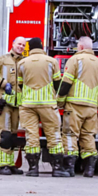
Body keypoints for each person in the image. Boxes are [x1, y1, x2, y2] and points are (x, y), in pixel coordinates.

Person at [59, 37, 98, 178]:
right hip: (91, 107)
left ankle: (69, 168)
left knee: (70, 135)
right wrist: (97, 104)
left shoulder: (74, 60)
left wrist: (60, 102)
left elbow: (66, 83)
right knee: (88, 136)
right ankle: (90, 169)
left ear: (80, 46)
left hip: (74, 105)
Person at [16, 37, 64, 177]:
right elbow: (57, 83)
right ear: (42, 46)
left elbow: (20, 84)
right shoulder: (51, 61)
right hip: (47, 104)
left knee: (31, 136)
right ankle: (57, 169)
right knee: (54, 134)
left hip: (28, 104)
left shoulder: (22, 63)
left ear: (29, 48)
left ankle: (33, 169)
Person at [0, 36, 25, 175]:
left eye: (23, 45)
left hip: (17, 105)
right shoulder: (2, 59)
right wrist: (2, 83)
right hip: (4, 103)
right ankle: (3, 165)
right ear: (13, 44)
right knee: (4, 135)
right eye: (19, 44)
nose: (21, 47)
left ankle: (11, 163)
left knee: (13, 137)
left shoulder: (25, 62)